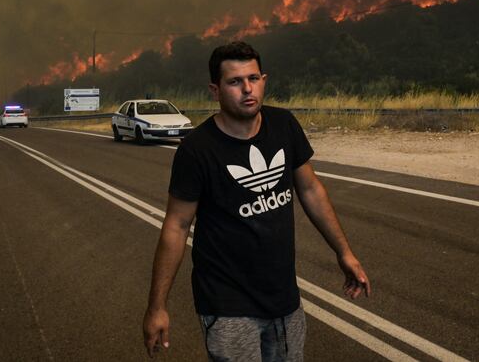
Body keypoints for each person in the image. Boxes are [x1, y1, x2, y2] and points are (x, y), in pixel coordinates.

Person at [143, 41, 371, 361]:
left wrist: (344, 253)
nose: (247, 89)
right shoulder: (197, 150)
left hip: (284, 300)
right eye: (235, 82)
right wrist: (157, 307)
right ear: (215, 90)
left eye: (253, 78)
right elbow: (177, 226)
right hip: (228, 306)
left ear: (264, 79)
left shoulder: (284, 125)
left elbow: (310, 190)